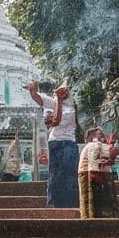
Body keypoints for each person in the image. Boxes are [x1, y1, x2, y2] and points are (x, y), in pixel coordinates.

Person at [27, 80, 79, 208]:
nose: (63, 91)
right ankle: (54, 202)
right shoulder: (52, 101)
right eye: (60, 89)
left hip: (70, 142)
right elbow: (37, 98)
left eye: (65, 90)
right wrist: (32, 89)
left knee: (70, 174)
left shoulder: (71, 108)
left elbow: (55, 121)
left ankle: (71, 203)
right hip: (55, 141)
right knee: (55, 173)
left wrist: (59, 102)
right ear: (56, 91)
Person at [78, 127, 118, 218]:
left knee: (99, 202)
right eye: (100, 135)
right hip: (91, 173)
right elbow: (103, 157)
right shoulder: (93, 145)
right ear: (92, 137)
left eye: (103, 135)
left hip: (98, 173)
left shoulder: (98, 146)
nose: (103, 137)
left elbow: (108, 157)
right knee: (95, 201)